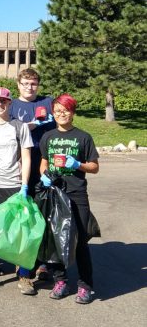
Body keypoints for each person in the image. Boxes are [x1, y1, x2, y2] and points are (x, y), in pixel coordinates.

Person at [39, 93, 99, 304]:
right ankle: (61, 280)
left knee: (80, 241)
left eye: (65, 110)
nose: (61, 114)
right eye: (57, 111)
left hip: (77, 194)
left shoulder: (83, 137)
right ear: (53, 114)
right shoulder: (48, 137)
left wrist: (77, 165)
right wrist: (44, 176)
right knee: (56, 239)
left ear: (72, 112)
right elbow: (44, 162)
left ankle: (85, 286)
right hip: (55, 194)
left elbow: (95, 167)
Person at [0, 87, 36, 295]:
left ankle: (25, 275)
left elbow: (26, 157)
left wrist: (24, 185)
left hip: (13, 185)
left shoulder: (19, 127)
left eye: (4, 101)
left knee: (20, 231)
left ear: (10, 103)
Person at [9, 68, 56, 280]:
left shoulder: (48, 102)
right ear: (18, 84)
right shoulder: (12, 105)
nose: (30, 87)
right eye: (26, 83)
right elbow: (8, 130)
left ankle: (43, 261)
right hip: (21, 160)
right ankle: (22, 259)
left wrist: (57, 118)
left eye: (34, 83)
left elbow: (62, 124)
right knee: (23, 213)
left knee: (44, 211)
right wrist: (30, 125)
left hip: (45, 160)